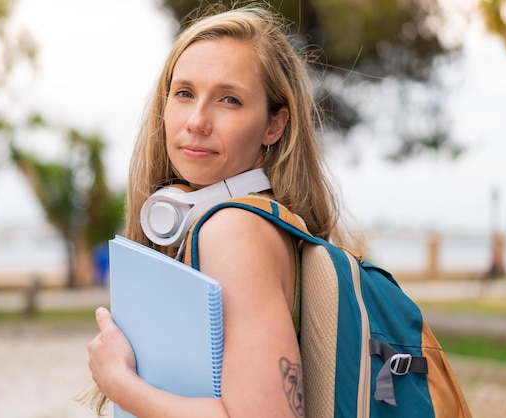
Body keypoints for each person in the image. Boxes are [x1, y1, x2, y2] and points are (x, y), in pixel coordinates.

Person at [84, 3, 341, 417]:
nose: (197, 121)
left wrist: (119, 384)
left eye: (229, 100)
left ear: (274, 125)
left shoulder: (234, 231)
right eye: (184, 93)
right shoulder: (259, 223)